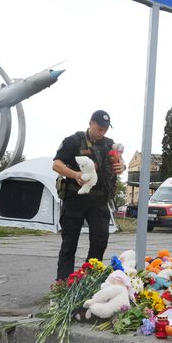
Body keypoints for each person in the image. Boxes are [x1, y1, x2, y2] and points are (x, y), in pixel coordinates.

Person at [53, 110, 126, 281]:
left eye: (106, 129)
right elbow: (56, 165)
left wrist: (122, 167)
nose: (103, 132)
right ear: (90, 123)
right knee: (69, 244)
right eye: (100, 128)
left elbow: (120, 161)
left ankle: (89, 280)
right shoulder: (73, 141)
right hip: (75, 198)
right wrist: (76, 175)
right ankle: (63, 283)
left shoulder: (109, 144)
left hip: (99, 200)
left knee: (100, 241)